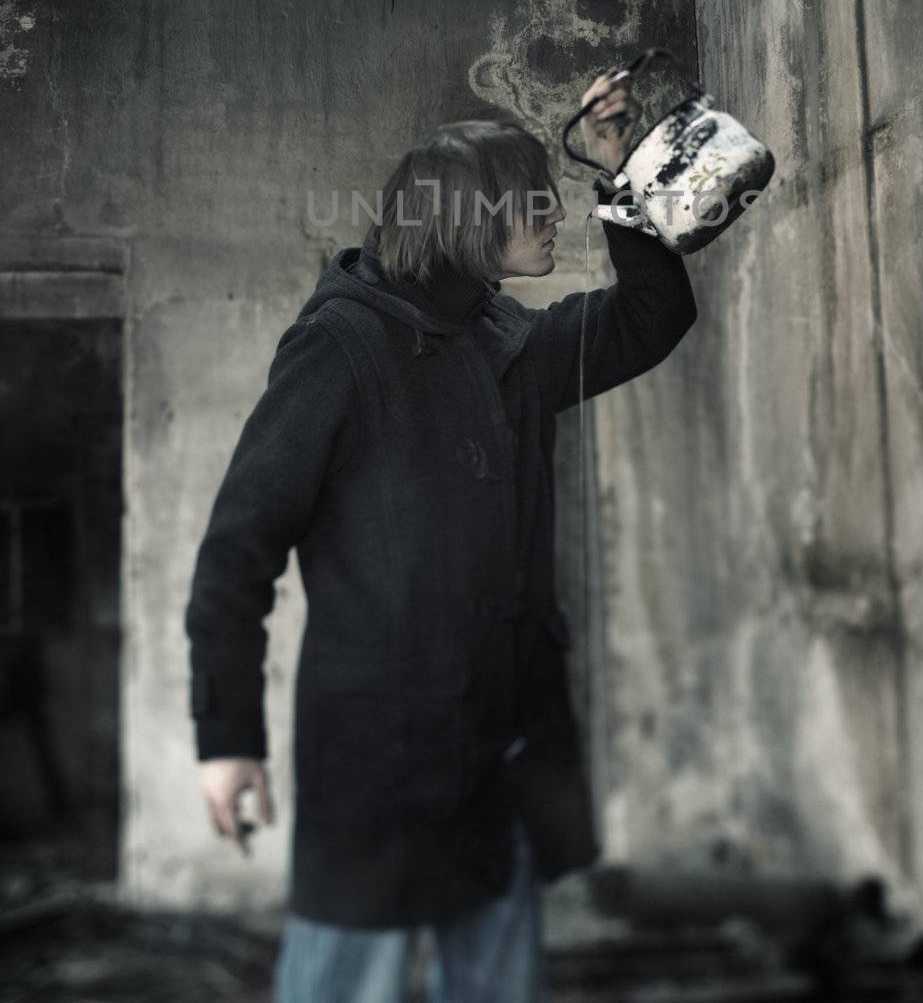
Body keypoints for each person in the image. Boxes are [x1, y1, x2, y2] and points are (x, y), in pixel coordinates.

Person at [185, 70, 698, 1003]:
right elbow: (237, 552)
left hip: (498, 753)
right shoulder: (339, 346)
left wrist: (617, 172)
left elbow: (651, 315)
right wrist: (226, 737)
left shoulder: (507, 340)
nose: (554, 218)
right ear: (467, 217)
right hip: (381, 761)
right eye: (531, 203)